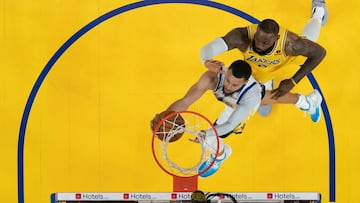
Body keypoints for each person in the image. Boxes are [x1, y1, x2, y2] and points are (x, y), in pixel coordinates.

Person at [153, 59, 322, 178]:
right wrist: (165, 119)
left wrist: (206, 133)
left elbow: (231, 123)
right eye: (227, 81)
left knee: (214, 137)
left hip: (241, 105)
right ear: (226, 73)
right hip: (240, 97)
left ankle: (220, 155)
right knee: (269, 97)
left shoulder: (251, 97)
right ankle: (307, 101)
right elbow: (185, 101)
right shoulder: (212, 78)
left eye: (234, 85)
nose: (228, 86)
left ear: (244, 82)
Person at [199, 1, 328, 117]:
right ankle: (266, 84)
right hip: (259, 68)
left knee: (309, 41)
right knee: (254, 95)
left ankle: (318, 12)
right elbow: (209, 47)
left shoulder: (292, 45)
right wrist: (206, 60)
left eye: (265, 43)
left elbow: (320, 53)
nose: (259, 46)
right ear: (256, 33)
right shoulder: (242, 37)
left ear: (276, 39)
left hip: (287, 59)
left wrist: (292, 82)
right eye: (258, 40)